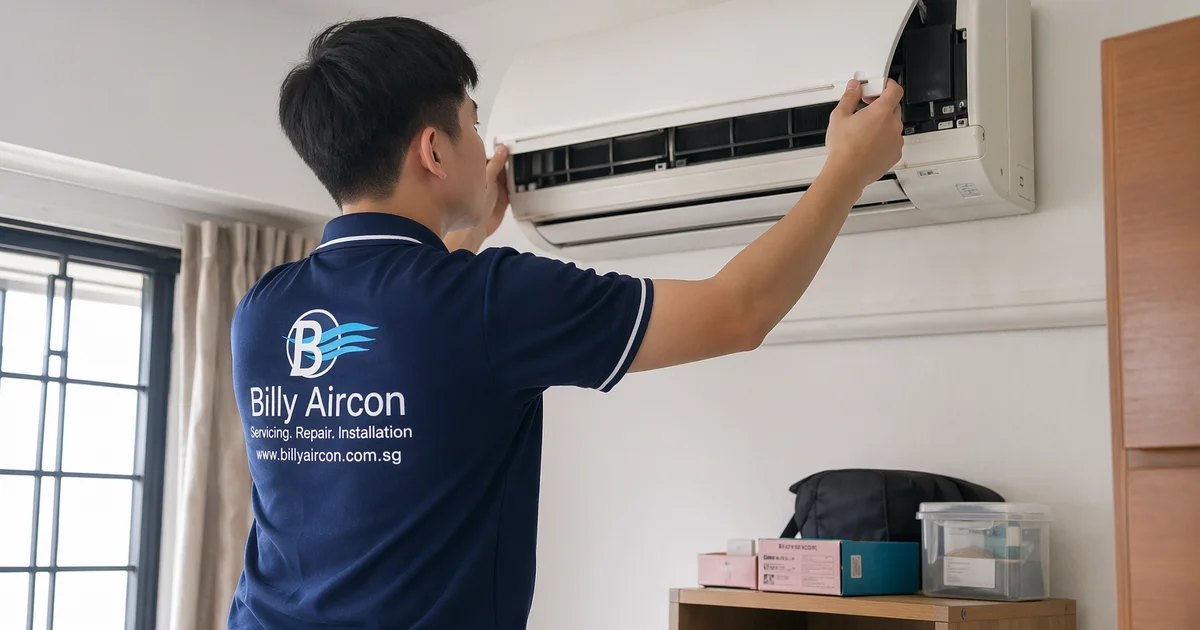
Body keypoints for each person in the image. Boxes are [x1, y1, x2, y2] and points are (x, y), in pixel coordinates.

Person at [228, 16, 904, 630]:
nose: (480, 141)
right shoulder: (493, 300)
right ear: (433, 151)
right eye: (471, 124)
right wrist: (848, 168)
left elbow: (402, 337)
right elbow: (738, 314)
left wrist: (464, 238)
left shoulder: (263, 309)